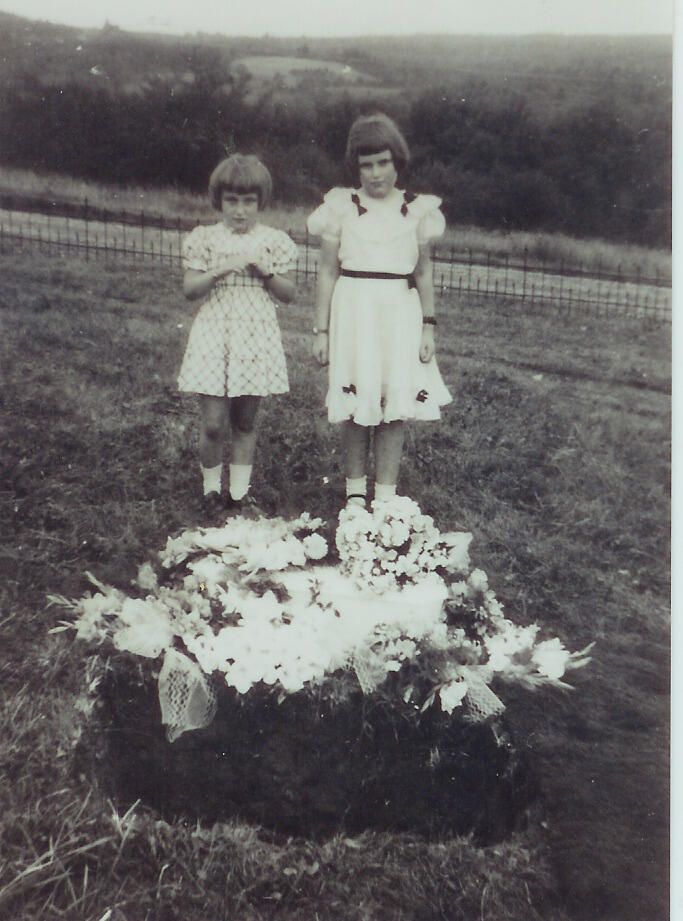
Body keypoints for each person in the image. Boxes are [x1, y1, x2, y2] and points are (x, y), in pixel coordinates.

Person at [307, 113, 451, 509]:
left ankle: (386, 499)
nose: (375, 174)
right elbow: (327, 271)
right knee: (357, 401)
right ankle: (355, 495)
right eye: (366, 165)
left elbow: (423, 272)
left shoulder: (416, 211)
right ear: (355, 167)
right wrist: (321, 331)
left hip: (399, 313)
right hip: (354, 311)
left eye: (383, 162)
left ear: (397, 161)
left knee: (393, 404)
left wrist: (428, 326)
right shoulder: (341, 207)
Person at [178, 153, 298, 519]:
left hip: (254, 335)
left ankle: (239, 496)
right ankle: (211, 491)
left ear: (260, 202)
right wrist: (219, 270)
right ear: (219, 200)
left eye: (248, 201)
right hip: (215, 332)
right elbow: (190, 290)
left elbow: (289, 293)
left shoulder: (274, 241)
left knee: (245, 421)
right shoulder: (205, 239)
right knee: (214, 424)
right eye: (232, 200)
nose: (240, 210)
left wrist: (266, 273)